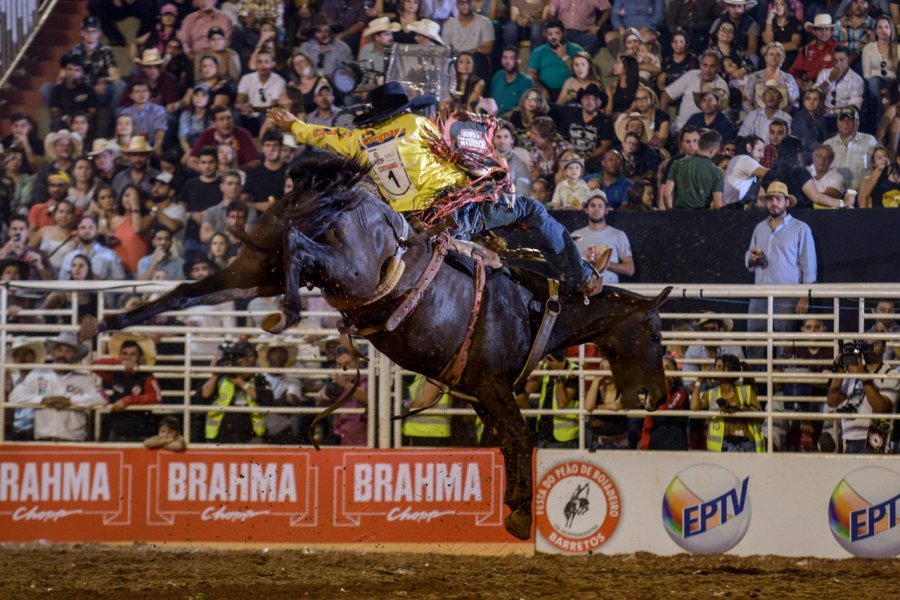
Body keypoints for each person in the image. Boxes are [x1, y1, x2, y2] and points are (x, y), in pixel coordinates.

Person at [269, 82, 597, 292]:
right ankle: (580, 276)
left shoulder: (360, 140)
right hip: (454, 211)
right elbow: (464, 151)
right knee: (532, 209)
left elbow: (324, 136)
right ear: (404, 109)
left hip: (408, 224)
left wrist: (292, 124)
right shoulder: (417, 125)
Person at [744, 181, 817, 361]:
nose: (773, 203)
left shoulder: (801, 228)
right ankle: (757, 385)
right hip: (760, 294)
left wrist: (805, 296)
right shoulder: (760, 228)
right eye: (770, 199)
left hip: (787, 294)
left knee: (785, 344)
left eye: (777, 199)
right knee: (755, 342)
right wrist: (751, 259)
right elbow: (749, 255)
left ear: (786, 202)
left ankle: (783, 384)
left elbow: (809, 265)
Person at [9, 332, 106, 442]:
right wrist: (43, 400)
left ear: (75, 355)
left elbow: (102, 398)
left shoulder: (85, 379)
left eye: (68, 351)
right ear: (53, 353)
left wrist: (71, 401)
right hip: (43, 439)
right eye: (59, 350)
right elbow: (15, 396)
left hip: (74, 440)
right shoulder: (37, 375)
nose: (62, 354)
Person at [828, 339, 900, 454]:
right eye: (866, 344)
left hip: (874, 439)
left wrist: (862, 376)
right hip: (848, 437)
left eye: (875, 344)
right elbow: (832, 401)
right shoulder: (853, 371)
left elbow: (881, 408)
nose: (870, 347)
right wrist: (839, 371)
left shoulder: (890, 374)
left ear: (884, 348)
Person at [779, 317, 833, 452]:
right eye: (808, 327)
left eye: (817, 327)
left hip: (823, 399)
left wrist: (802, 376)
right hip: (795, 399)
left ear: (824, 330)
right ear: (802, 330)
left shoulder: (832, 348)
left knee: (832, 409)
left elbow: (827, 381)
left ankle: (829, 446)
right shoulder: (793, 346)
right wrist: (803, 413)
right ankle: (771, 446)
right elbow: (785, 378)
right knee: (773, 405)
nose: (813, 331)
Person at [691, 353, 765, 452]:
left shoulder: (746, 391)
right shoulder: (712, 393)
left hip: (746, 444)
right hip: (723, 446)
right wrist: (698, 382)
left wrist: (740, 410)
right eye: (716, 367)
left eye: (719, 367)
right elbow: (694, 407)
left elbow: (760, 417)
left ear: (730, 369)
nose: (715, 370)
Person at [94, 333, 161, 441]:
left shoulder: (147, 376)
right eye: (124, 354)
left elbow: (156, 398)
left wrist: (128, 400)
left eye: (132, 354)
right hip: (117, 431)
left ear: (140, 357)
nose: (128, 357)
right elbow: (95, 366)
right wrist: (119, 362)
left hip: (141, 433)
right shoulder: (116, 374)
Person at [200, 342, 270, 443]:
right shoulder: (221, 377)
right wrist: (214, 375)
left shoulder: (259, 379)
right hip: (219, 436)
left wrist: (241, 382)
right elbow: (204, 396)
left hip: (252, 436)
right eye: (241, 356)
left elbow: (267, 400)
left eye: (250, 356)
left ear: (255, 359)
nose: (245, 360)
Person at [518, 351, 579, 448]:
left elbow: (561, 404)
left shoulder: (574, 371)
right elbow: (529, 389)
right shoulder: (545, 367)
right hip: (543, 432)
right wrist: (539, 366)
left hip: (565, 438)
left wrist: (559, 374)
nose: (552, 360)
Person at [571, 191, 634, 285]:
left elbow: (630, 270)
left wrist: (604, 263)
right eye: (592, 205)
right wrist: (586, 262)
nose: (596, 209)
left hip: (610, 289)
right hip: (583, 289)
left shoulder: (618, 235)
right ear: (586, 209)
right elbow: (566, 268)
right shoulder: (575, 236)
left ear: (606, 210)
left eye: (600, 206)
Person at [661, 51, 730, 133]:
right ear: (700, 65)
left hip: (703, 134)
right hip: (678, 128)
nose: (708, 70)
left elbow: (721, 117)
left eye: (712, 66)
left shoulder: (722, 86)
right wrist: (663, 120)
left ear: (718, 68)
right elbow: (666, 94)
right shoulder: (691, 75)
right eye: (705, 65)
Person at [255, 336, 302, 444]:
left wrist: (266, 400)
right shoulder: (259, 377)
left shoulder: (292, 379)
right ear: (268, 357)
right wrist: (280, 400)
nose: (279, 356)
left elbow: (291, 405)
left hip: (283, 432)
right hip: (259, 430)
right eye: (274, 352)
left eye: (282, 352)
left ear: (286, 357)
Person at [317, 347, 369, 446]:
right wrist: (327, 392)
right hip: (339, 435)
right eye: (339, 365)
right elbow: (318, 401)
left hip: (362, 438)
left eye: (347, 364)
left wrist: (345, 384)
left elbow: (369, 399)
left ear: (357, 363)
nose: (343, 368)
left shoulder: (365, 377)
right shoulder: (336, 380)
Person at [639, 355, 689, 450]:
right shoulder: (651, 392)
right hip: (656, 441)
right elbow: (647, 422)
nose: (664, 372)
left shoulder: (681, 391)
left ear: (675, 372)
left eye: (668, 368)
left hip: (676, 442)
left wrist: (665, 384)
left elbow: (668, 408)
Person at [526, 20, 584, 102]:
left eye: (557, 33)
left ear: (564, 33)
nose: (553, 37)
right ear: (546, 35)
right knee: (530, 96)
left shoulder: (576, 49)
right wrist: (541, 89)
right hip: (545, 91)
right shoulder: (539, 51)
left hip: (570, 91)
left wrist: (565, 57)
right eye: (550, 34)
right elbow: (530, 74)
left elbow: (582, 74)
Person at [665, 129, 724, 209]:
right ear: (714, 149)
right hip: (703, 217)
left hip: (679, 215)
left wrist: (670, 212)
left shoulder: (678, 164)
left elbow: (666, 193)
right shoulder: (716, 172)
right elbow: (718, 204)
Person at [188, 106, 260, 171]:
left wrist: (234, 171)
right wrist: (209, 172)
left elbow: (255, 162)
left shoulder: (243, 134)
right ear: (214, 123)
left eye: (229, 118)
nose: (226, 122)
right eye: (221, 119)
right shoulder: (206, 134)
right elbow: (192, 161)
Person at [825, 106, 879, 192]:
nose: (846, 123)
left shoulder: (870, 141)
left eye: (850, 120)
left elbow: (880, 168)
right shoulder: (827, 145)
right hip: (834, 195)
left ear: (857, 122)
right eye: (842, 120)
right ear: (837, 123)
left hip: (862, 194)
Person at [235, 48, 286, 136]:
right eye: (260, 62)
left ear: (272, 64)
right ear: (255, 64)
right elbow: (239, 100)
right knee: (235, 114)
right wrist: (242, 107)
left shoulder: (279, 81)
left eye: (266, 62)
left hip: (265, 113)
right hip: (249, 113)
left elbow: (273, 106)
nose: (263, 65)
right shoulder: (246, 78)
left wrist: (254, 109)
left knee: (268, 116)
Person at [440, 0, 495, 80]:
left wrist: (466, 56)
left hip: (476, 60)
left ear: (473, 3)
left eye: (468, 2)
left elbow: (487, 48)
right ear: (457, 5)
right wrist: (460, 58)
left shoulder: (485, 22)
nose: (465, 5)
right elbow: (446, 48)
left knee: (479, 58)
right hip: (455, 59)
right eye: (461, 2)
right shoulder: (449, 24)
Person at [59, 215, 126, 281]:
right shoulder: (69, 257)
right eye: (83, 228)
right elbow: (62, 283)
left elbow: (120, 280)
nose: (87, 231)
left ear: (97, 231)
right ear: (77, 231)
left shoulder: (110, 255)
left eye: (91, 227)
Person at [297, 14, 354, 81]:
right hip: (310, 83)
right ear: (313, 33)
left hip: (336, 85)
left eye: (326, 31)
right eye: (319, 31)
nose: (323, 34)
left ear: (331, 31)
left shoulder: (342, 48)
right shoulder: (305, 48)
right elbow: (300, 71)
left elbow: (348, 73)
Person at [47, 56, 98, 130]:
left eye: (77, 70)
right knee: (56, 124)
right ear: (65, 71)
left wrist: (77, 120)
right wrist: (65, 118)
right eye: (70, 69)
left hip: (82, 122)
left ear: (82, 73)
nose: (73, 73)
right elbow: (54, 111)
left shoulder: (88, 89)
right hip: (64, 122)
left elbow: (93, 111)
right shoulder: (57, 89)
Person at [402, 374, 453, 447]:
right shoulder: (422, 376)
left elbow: (424, 403)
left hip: (432, 433)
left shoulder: (435, 376)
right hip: (421, 432)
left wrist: (405, 405)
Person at [546, 0, 610, 56]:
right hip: (563, 31)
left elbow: (608, 9)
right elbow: (551, 12)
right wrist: (549, 17)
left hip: (583, 32)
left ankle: (576, 62)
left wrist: (597, 26)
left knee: (593, 40)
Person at [724, 135, 768, 208]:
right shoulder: (744, 159)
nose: (762, 155)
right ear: (749, 148)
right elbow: (767, 173)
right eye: (759, 150)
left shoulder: (739, 160)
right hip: (733, 210)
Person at [490, 47, 533, 117]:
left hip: (512, 122)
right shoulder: (498, 76)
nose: (507, 62)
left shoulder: (526, 81)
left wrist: (501, 118)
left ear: (518, 61)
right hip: (493, 119)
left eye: (511, 58)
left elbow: (522, 108)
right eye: (505, 58)